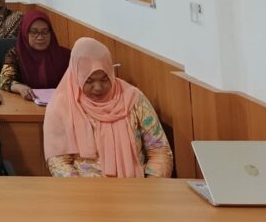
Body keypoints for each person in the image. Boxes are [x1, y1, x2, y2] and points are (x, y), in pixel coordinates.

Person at [43, 37, 173, 178]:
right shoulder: (61, 106)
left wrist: (150, 185)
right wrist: (80, 190)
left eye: (104, 79)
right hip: (84, 188)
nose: (98, 87)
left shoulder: (132, 98)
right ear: (76, 75)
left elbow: (160, 150)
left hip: (135, 186)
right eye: (89, 81)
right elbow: (59, 162)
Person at [0, 10, 70, 100]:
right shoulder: (15, 54)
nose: (40, 37)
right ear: (25, 33)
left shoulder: (66, 55)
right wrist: (19, 87)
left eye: (45, 32)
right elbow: (3, 80)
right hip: (26, 102)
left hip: (59, 102)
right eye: (34, 32)